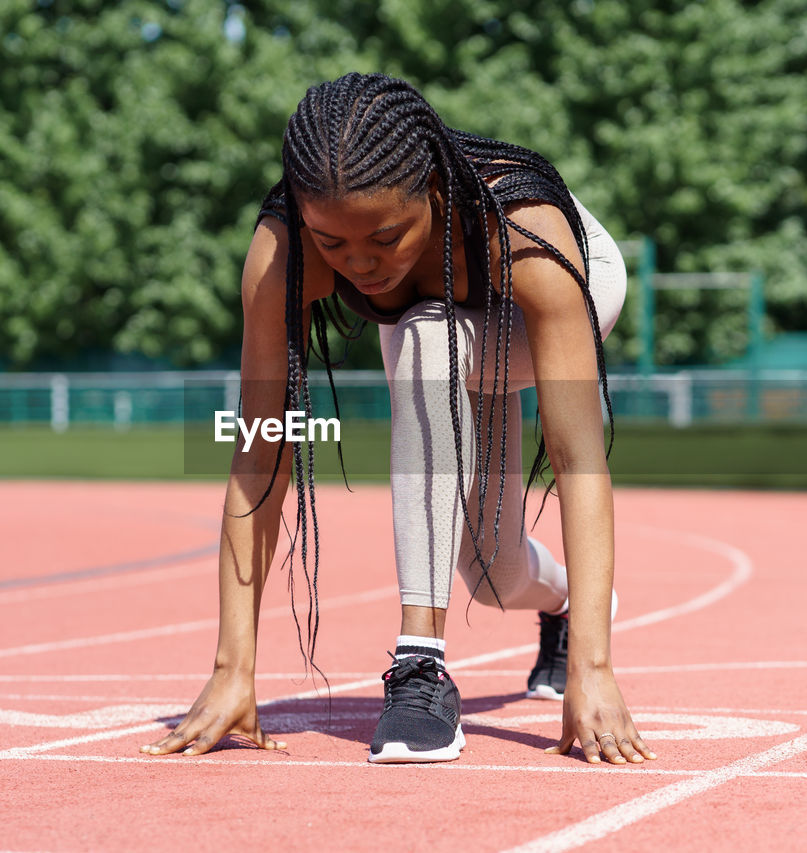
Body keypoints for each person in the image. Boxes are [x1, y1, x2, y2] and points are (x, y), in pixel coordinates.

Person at [142, 72, 655, 766]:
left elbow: (575, 457)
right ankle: (561, 605)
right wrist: (234, 667)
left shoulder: (526, 232)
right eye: (334, 243)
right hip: (440, 315)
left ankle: (420, 669)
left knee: (421, 336)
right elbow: (262, 451)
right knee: (493, 572)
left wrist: (596, 671)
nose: (360, 266)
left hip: (570, 281)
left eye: (384, 237)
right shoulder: (283, 254)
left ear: (436, 195)